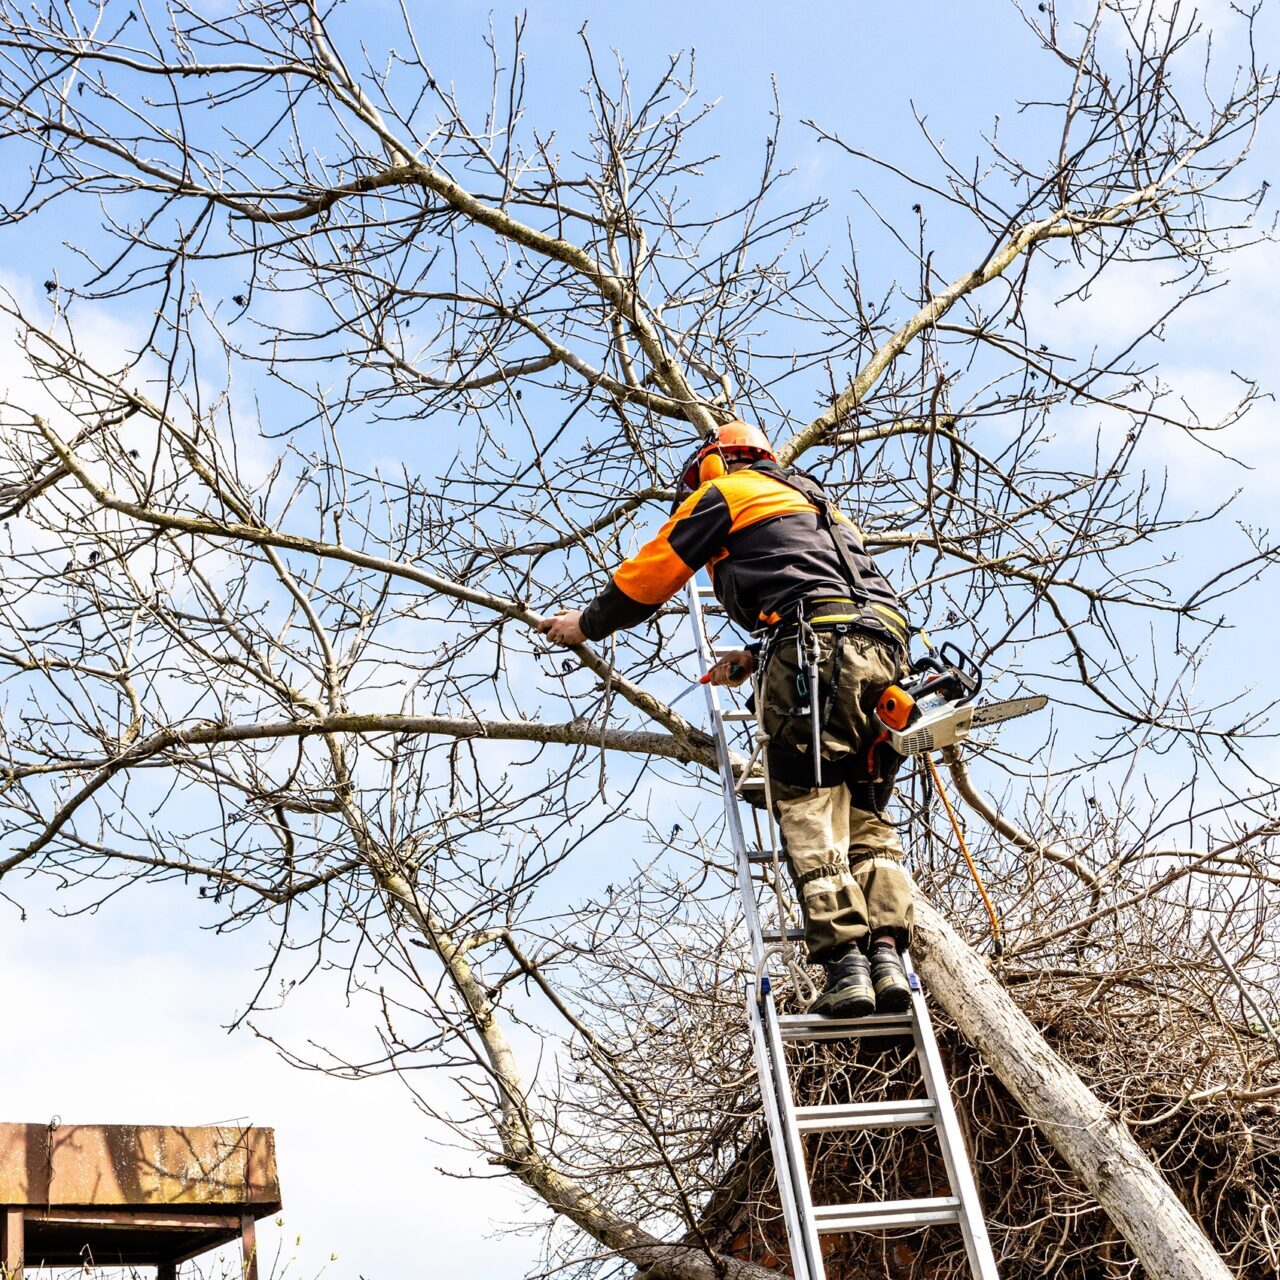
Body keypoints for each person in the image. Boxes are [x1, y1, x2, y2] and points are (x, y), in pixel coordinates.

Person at [537, 421, 914, 1018]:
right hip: (887, 656)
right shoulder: (819, 506)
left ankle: (847, 965)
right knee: (863, 805)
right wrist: (759, 655)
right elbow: (825, 596)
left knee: (807, 799)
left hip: (816, 651)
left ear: (716, 462)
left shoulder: (725, 493)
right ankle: (889, 953)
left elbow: (651, 576)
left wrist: (584, 624)